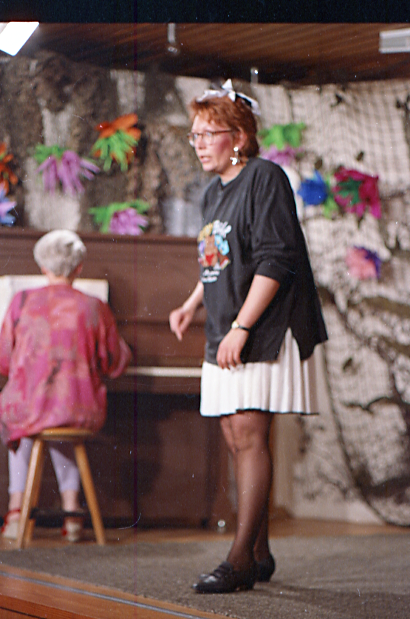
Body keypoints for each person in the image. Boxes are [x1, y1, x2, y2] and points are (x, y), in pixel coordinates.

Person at [169, 80, 327, 594]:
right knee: (236, 437)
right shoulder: (211, 192)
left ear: (238, 137)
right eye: (194, 135)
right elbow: (219, 257)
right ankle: (259, 552)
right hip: (226, 325)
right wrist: (192, 303)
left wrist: (242, 326)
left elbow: (276, 259)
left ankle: (238, 560)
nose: (198, 144)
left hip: (262, 325)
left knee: (250, 434)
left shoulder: (264, 177)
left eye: (207, 134)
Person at [0, 229, 132, 541]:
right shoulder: (94, 306)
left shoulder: (21, 301)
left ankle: (16, 511)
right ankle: (72, 512)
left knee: (23, 418)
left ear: (43, 266)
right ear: (79, 267)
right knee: (60, 418)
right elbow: (114, 362)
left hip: (29, 408)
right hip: (79, 408)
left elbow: (4, 359)